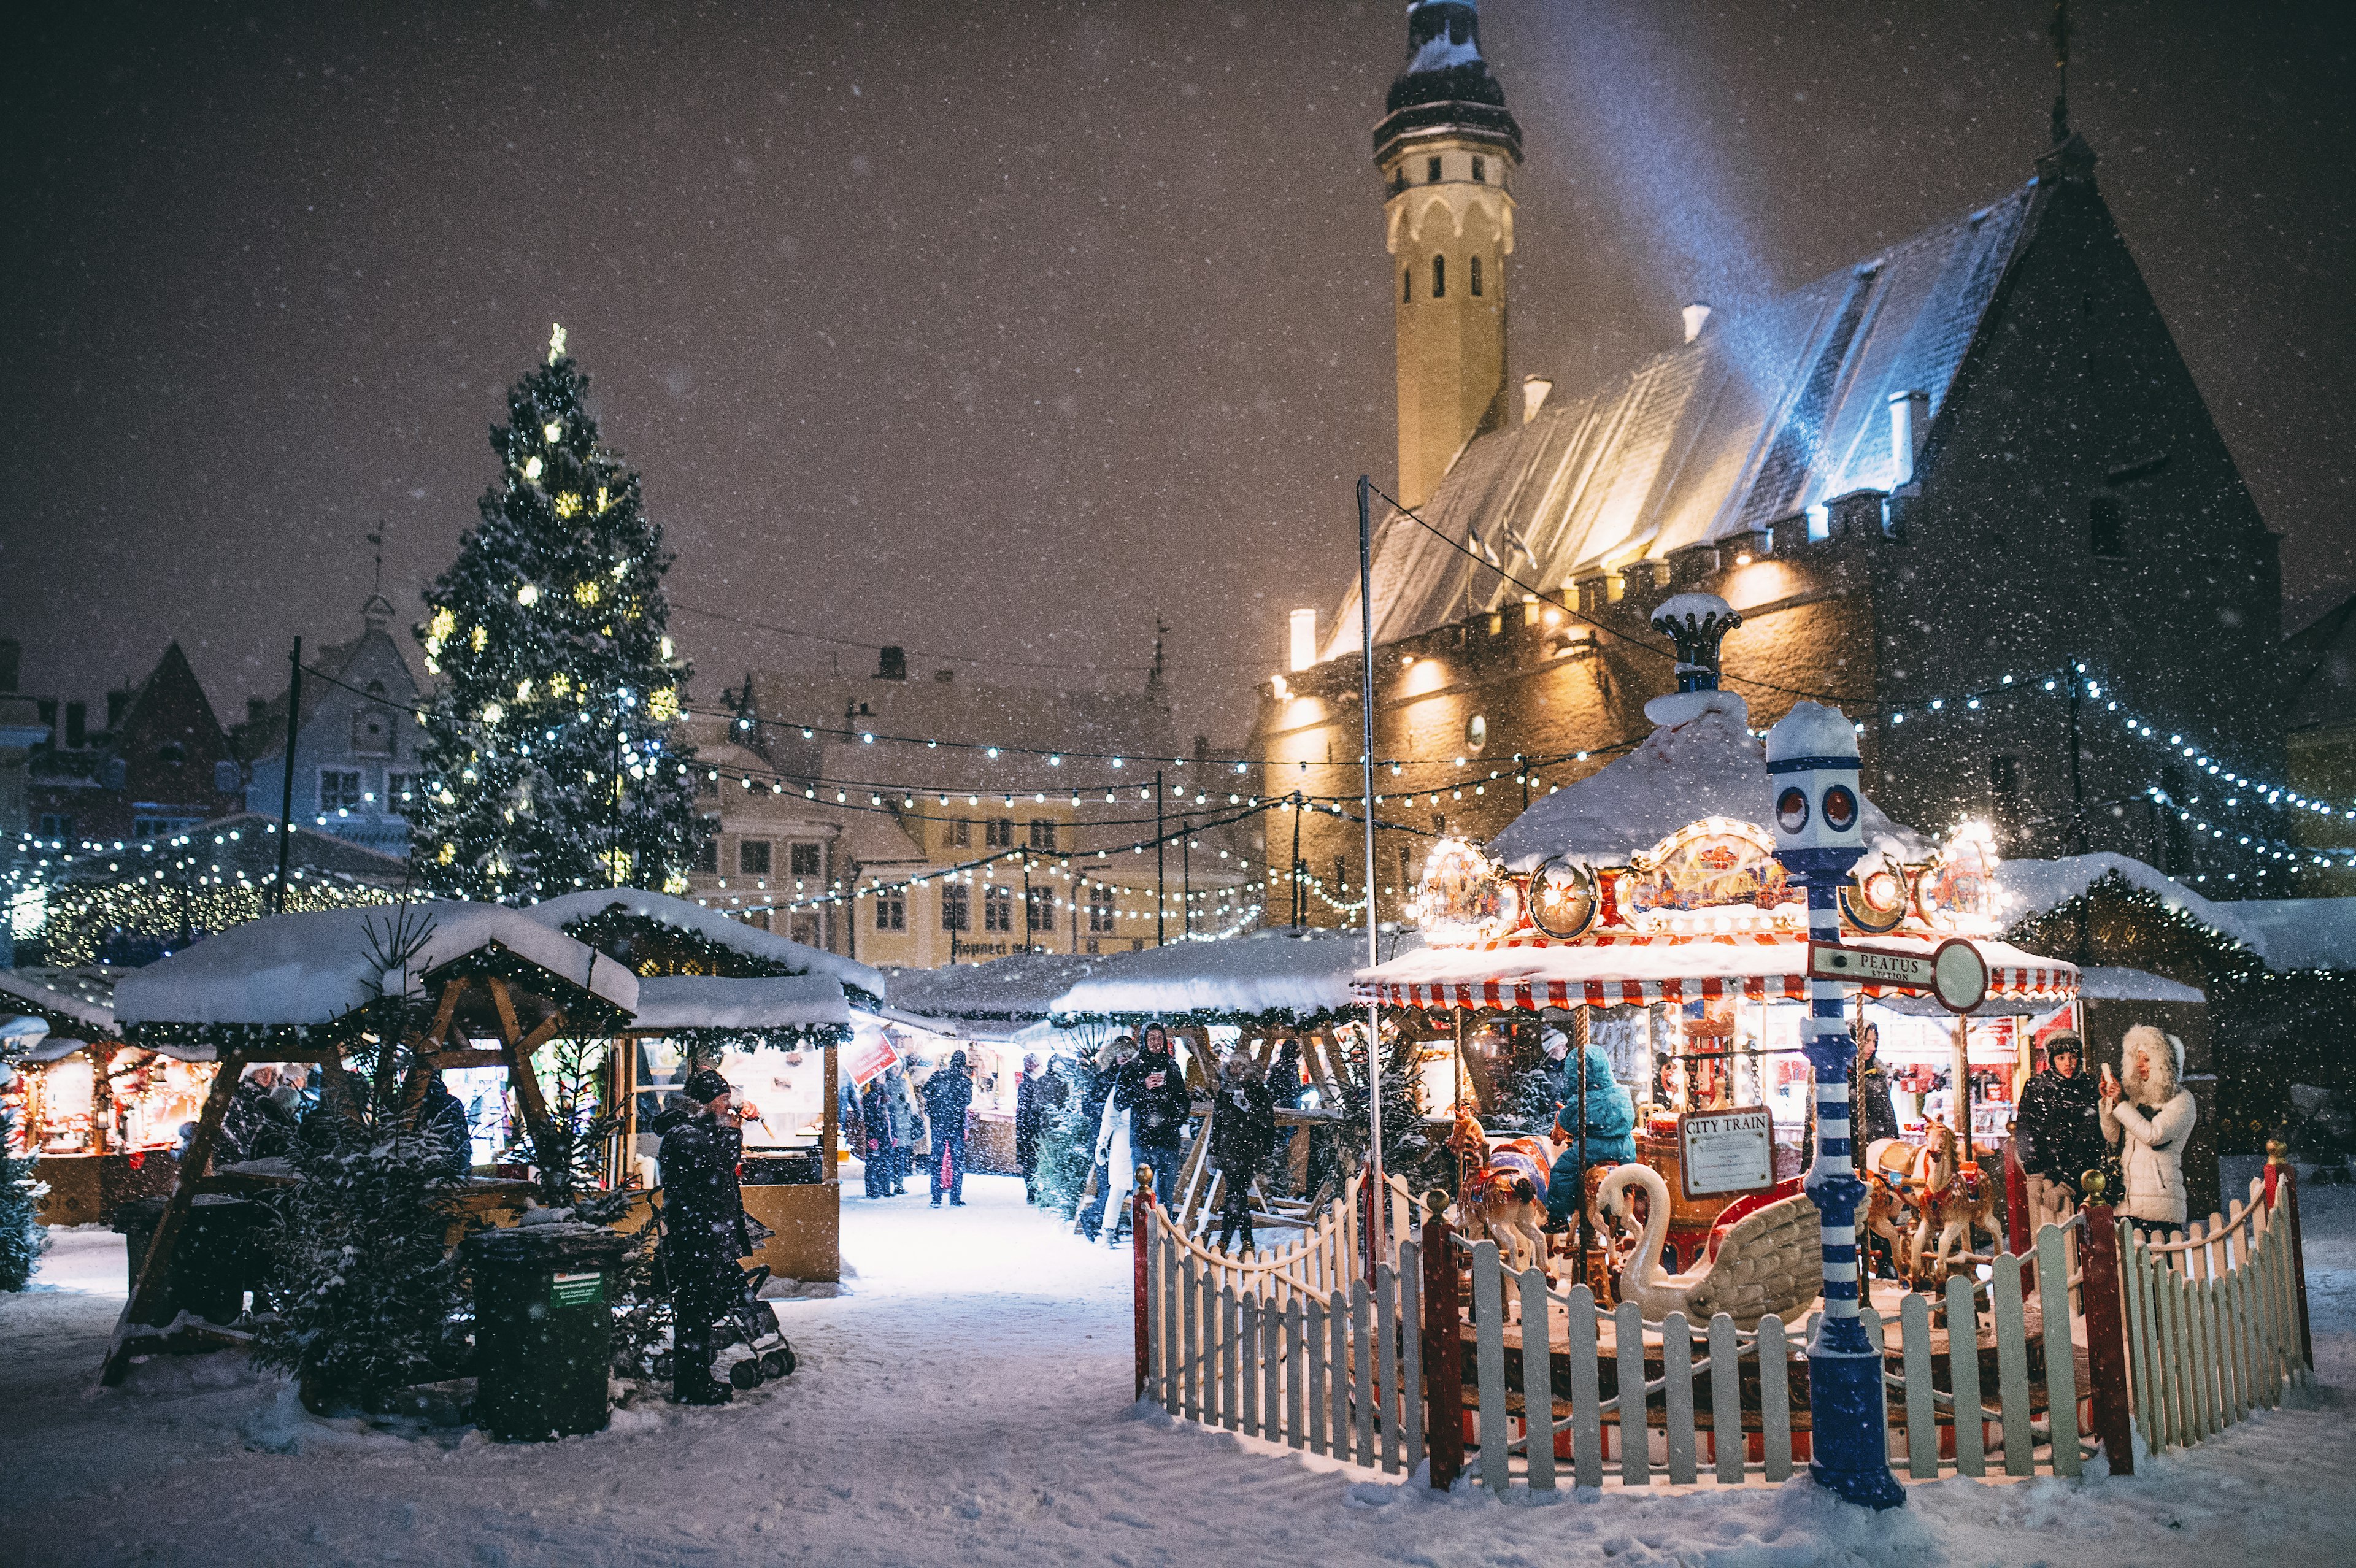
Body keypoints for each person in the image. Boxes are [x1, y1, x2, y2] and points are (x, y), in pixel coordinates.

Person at [653, 1068, 751, 1405]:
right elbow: (715, 1167)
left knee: (702, 1308)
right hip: (695, 1238)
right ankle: (692, 1384)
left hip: (704, 1235)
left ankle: (695, 1376)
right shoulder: (685, 1135)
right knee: (694, 1311)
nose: (727, 1108)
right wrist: (731, 1134)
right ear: (707, 1102)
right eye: (722, 1101)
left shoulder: (696, 1131)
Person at [1538, 1026, 1638, 1234]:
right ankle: (1620, 1213)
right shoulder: (1621, 1094)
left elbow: (1568, 1122)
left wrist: (1566, 1113)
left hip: (1594, 1149)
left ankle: (1558, 1216)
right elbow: (1628, 1119)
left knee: (1563, 1171)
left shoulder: (1585, 1100)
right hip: (1625, 1150)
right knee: (1628, 1174)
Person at [2101, 1024, 2197, 1229]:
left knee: (2161, 1261)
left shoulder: (2182, 1100)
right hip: (2126, 1202)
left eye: (2147, 1060)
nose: (2140, 1065)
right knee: (2128, 1262)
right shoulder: (2136, 1099)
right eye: (2137, 1059)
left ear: (2165, 1064)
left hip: (2160, 1205)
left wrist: (2122, 1105)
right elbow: (2112, 1137)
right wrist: (2109, 1103)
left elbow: (2154, 1135)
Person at [2015, 1033, 2105, 1224]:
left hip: (2082, 1178)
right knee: (2045, 1233)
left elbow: (2089, 1138)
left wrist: (2069, 1183)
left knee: (2078, 1233)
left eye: (2073, 1057)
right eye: (2061, 1058)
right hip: (2045, 1175)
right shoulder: (2036, 1086)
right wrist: (2034, 1173)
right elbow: (2025, 1130)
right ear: (2052, 1060)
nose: (2068, 1064)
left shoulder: (2089, 1087)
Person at [1115, 1022, 1193, 1212]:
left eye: (1160, 1038)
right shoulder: (1131, 1068)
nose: (1156, 1043)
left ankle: (1164, 1238)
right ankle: (1142, 1239)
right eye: (1152, 1038)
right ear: (1144, 1041)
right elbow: (1119, 1101)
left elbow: (1183, 1101)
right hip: (1143, 1139)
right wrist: (1143, 1086)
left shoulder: (1172, 1067)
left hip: (1168, 1140)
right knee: (1142, 1194)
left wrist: (1174, 1119)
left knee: (1166, 1197)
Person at [1209, 1051, 1277, 1253]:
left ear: (1248, 1069)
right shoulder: (1224, 1092)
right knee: (1236, 1196)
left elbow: (1267, 1122)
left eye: (1240, 1066)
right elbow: (1217, 1123)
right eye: (1232, 1066)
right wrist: (1213, 1150)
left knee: (1235, 1196)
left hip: (1249, 1150)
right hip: (1228, 1150)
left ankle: (1226, 1240)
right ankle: (1246, 1242)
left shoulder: (1258, 1091)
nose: (1235, 1069)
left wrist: (1249, 1108)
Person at [1076, 1036, 1137, 1242]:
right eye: (1123, 1054)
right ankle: (1096, 1219)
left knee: (1120, 1186)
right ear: (1114, 1055)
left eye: (1130, 1055)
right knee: (1109, 1186)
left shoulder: (1134, 1078)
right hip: (1103, 1139)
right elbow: (1087, 1107)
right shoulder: (1102, 1078)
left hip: (1126, 1138)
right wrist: (1110, 1111)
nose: (1126, 1059)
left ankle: (1108, 1224)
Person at [216, 1064, 298, 1166]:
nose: (267, 1076)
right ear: (253, 1073)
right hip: (243, 1157)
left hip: (269, 1155)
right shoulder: (239, 1094)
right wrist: (243, 1144)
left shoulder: (275, 1094)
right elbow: (226, 1123)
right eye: (263, 1072)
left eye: (270, 1072)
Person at [923, 1051, 975, 1207]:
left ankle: (936, 1198)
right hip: (955, 1125)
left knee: (937, 1161)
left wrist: (935, 1105)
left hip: (938, 1123)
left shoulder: (938, 1077)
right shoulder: (965, 1082)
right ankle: (955, 1197)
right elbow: (967, 1100)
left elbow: (925, 1092)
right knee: (957, 1162)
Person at [1014, 1053, 1066, 1204]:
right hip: (1033, 1129)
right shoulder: (1032, 1084)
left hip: (1031, 1128)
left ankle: (1033, 1192)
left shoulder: (1035, 1082)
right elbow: (1032, 1108)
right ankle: (1033, 1192)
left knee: (1032, 1161)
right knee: (1033, 1161)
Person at [414, 1067, 473, 1177]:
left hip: (422, 1169)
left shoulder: (415, 1105)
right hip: (453, 1166)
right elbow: (462, 1137)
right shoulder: (453, 1103)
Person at [859, 1076, 899, 1199]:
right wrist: (872, 1136)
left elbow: (892, 1117)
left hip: (887, 1135)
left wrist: (894, 1134)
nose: (883, 1079)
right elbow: (869, 1119)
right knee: (874, 1162)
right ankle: (873, 1190)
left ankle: (885, 1188)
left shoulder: (886, 1095)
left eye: (884, 1077)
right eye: (880, 1077)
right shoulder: (871, 1097)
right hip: (877, 1134)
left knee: (886, 1161)